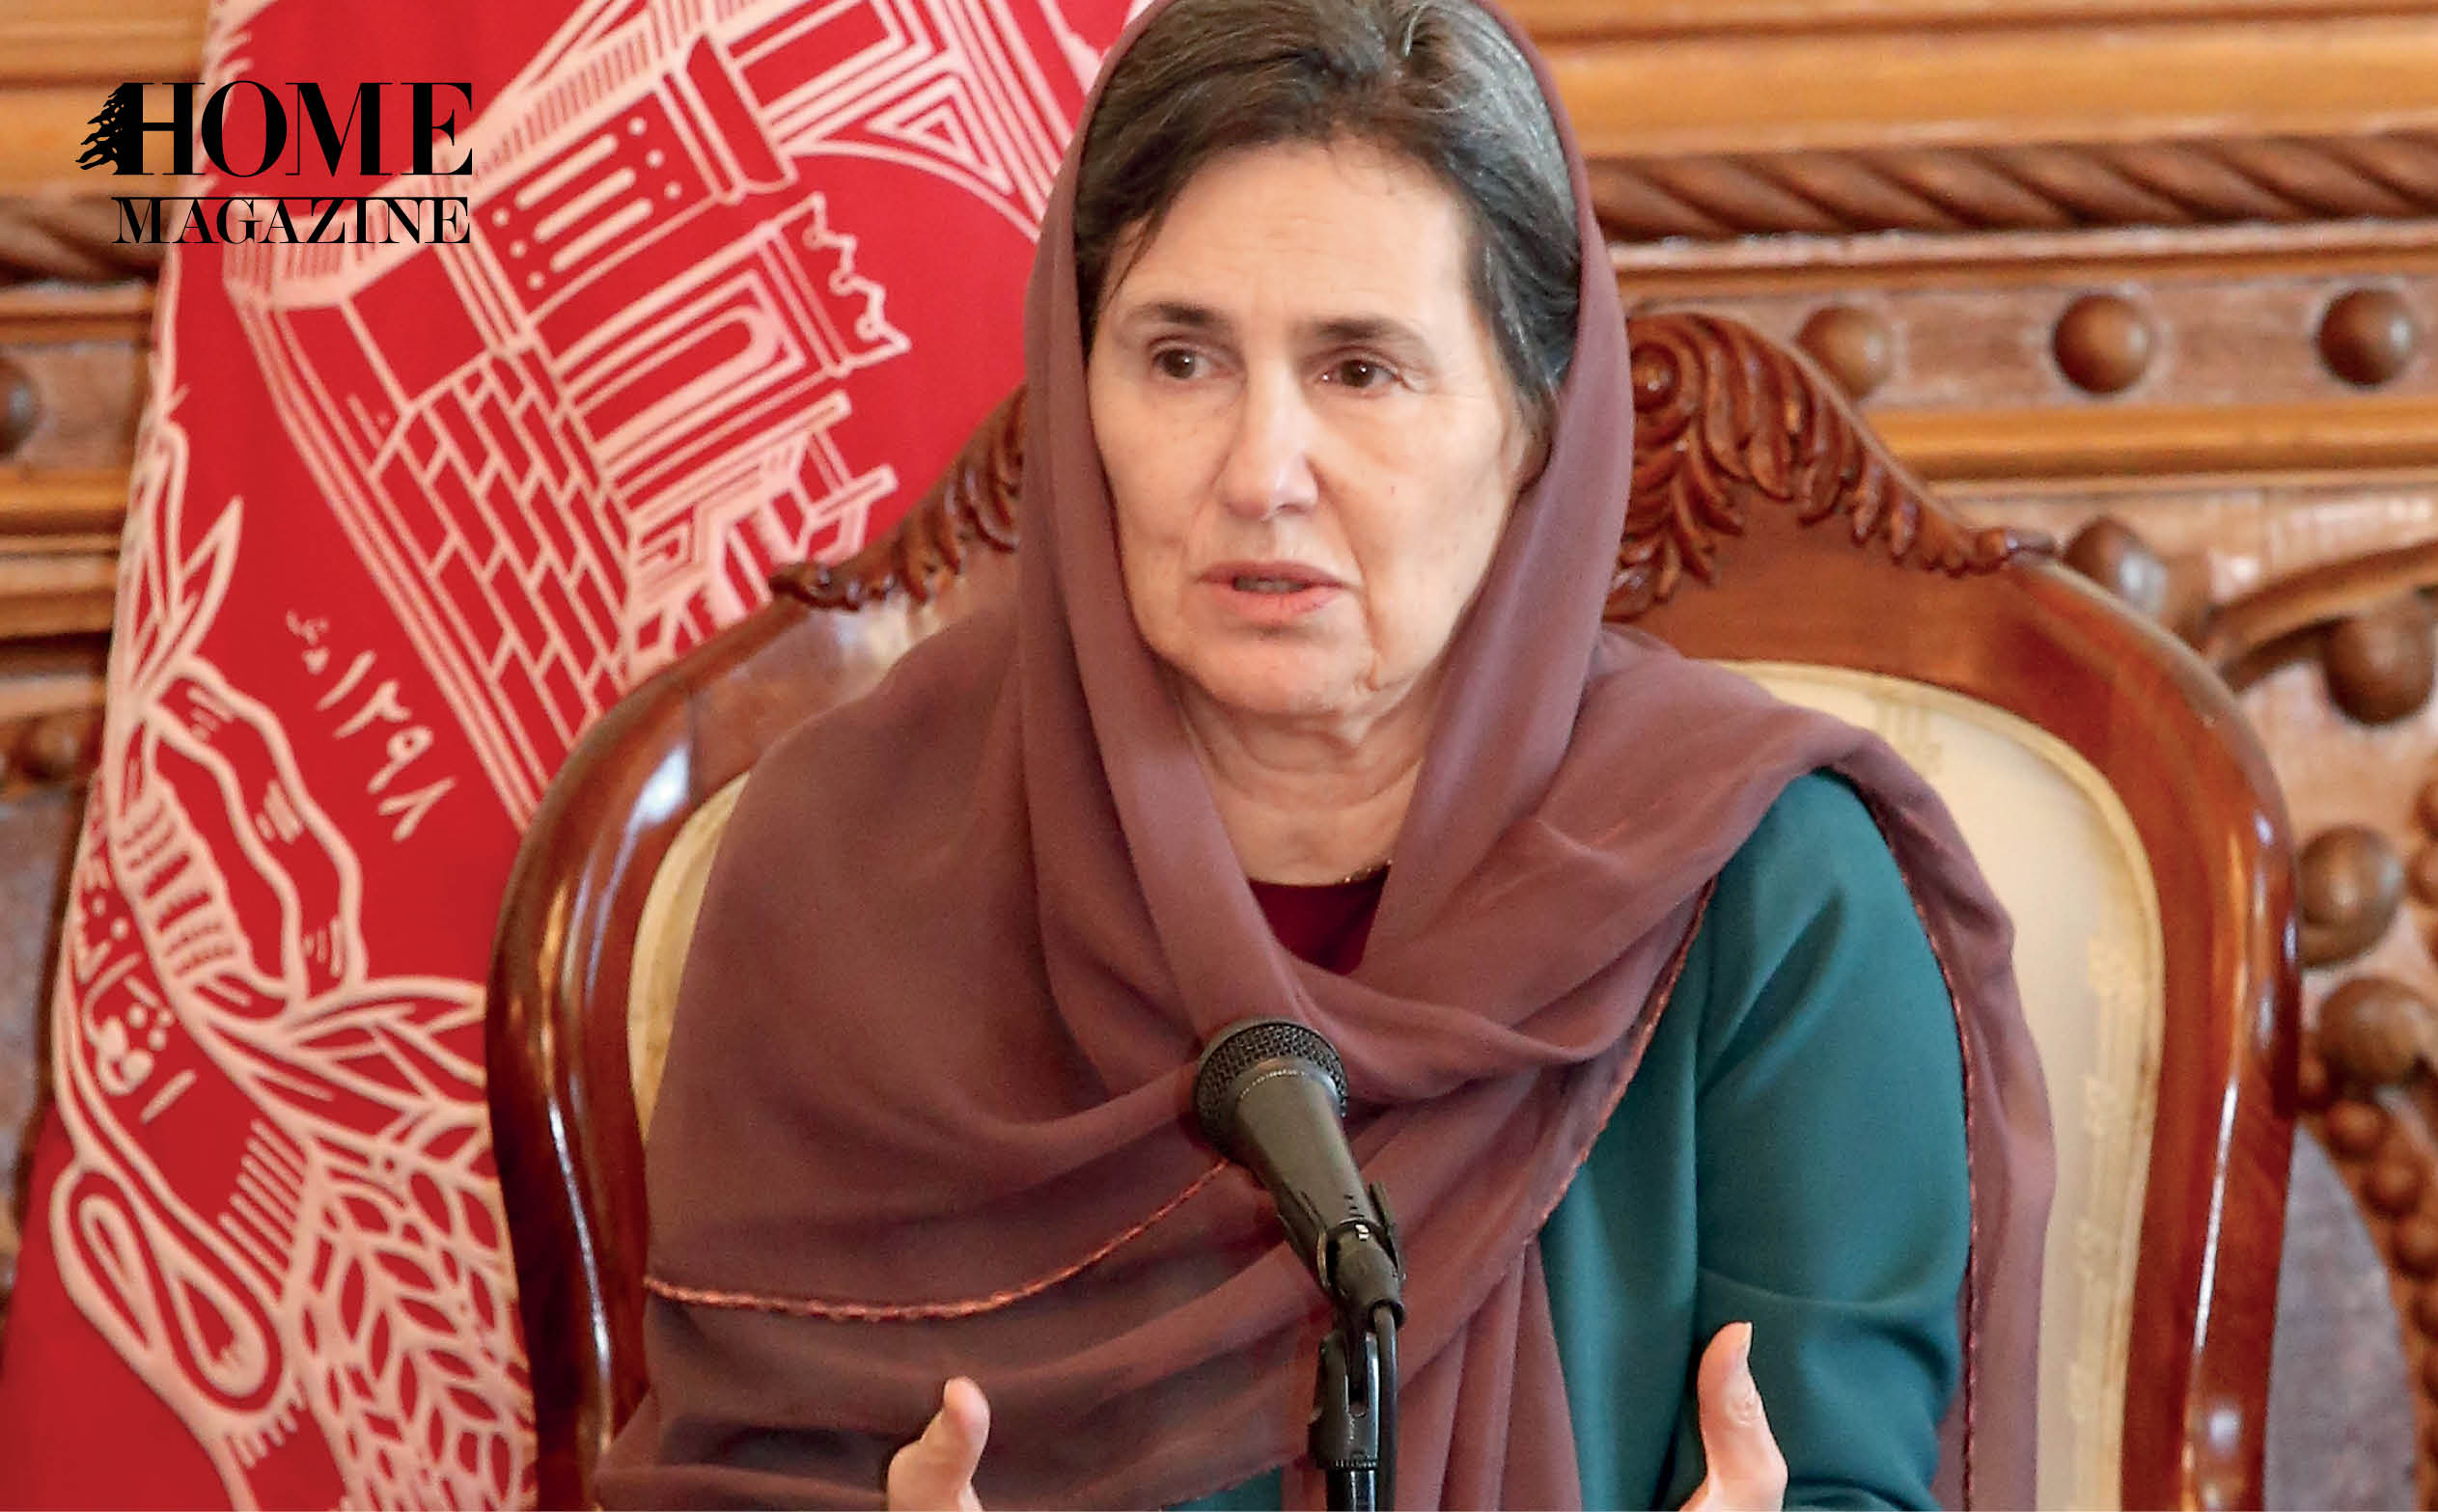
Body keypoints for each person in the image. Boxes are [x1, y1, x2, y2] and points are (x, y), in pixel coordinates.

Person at [594, 0, 2051, 1506]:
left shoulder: (1759, 892)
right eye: (1179, 360)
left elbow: (1841, 1479)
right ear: (1076, 391)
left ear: (1538, 424)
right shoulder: (843, 863)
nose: (1260, 473)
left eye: (1360, 370)